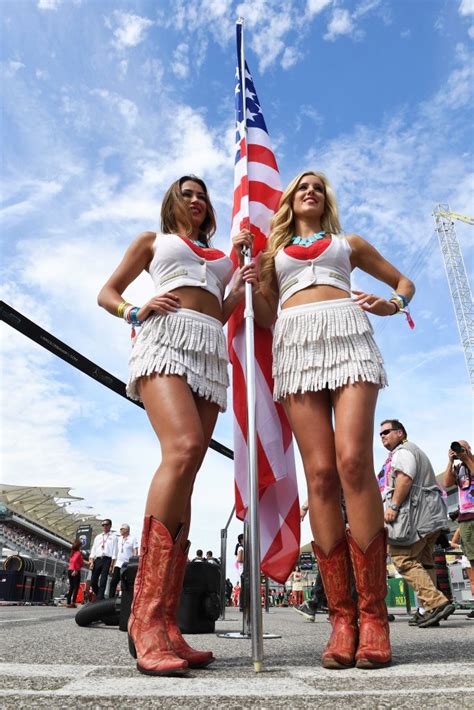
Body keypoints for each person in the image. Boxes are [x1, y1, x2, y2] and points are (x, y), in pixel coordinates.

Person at [233, 170, 415, 670]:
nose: (309, 191)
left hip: (349, 337)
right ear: (290, 200)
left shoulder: (348, 243)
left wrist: (391, 303)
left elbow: (405, 283)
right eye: (300, 187)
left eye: (317, 186)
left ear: (325, 199)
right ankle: (342, 618)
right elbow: (267, 317)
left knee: (354, 460)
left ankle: (374, 616)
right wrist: (253, 280)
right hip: (295, 345)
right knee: (319, 474)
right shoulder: (273, 255)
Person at [98, 175, 247, 676]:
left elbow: (223, 313)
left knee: (191, 470)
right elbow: (107, 291)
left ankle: (166, 622)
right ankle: (143, 618)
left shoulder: (224, 257)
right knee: (181, 449)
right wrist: (134, 309)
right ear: (172, 202)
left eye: (203, 194)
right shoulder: (152, 241)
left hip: (209, 348)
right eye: (188, 192)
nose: (198, 199)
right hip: (165, 336)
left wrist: (242, 279)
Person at [380, 419, 455, 627]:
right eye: (381, 434)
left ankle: (436, 603)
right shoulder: (413, 451)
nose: (383, 436)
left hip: (417, 515)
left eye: (387, 431)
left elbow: (405, 478)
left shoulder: (403, 452)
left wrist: (393, 506)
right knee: (424, 561)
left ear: (401, 433)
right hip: (431, 516)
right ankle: (426, 610)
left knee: (402, 557)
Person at [443, 440, 474, 618]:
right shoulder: (458, 468)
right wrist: (450, 461)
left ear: (468, 448)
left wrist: (466, 456)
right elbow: (447, 483)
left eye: (462, 448)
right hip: (465, 518)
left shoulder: (471, 460)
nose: (458, 451)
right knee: (472, 559)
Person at [89, 519, 118, 602]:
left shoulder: (114, 537)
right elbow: (93, 549)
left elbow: (114, 552)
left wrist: (112, 566)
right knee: (93, 581)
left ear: (110, 525)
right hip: (97, 559)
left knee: (103, 580)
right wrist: (91, 561)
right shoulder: (98, 537)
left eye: (106, 524)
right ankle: (99, 595)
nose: (104, 526)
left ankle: (99, 599)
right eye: (103, 525)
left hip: (107, 560)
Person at [109, 524, 139, 599]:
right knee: (113, 581)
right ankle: (110, 598)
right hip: (118, 564)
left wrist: (134, 561)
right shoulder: (119, 539)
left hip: (127, 564)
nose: (120, 530)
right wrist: (113, 565)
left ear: (127, 530)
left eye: (122, 529)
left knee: (125, 583)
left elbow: (135, 549)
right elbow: (116, 552)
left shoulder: (132, 538)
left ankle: (125, 599)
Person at [66, 539, 84, 608]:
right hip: (75, 571)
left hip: (70, 570)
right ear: (79, 546)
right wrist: (76, 569)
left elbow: (72, 560)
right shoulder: (78, 553)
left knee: (71, 587)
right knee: (76, 587)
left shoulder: (72, 552)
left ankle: (68, 602)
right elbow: (77, 561)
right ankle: (73, 602)